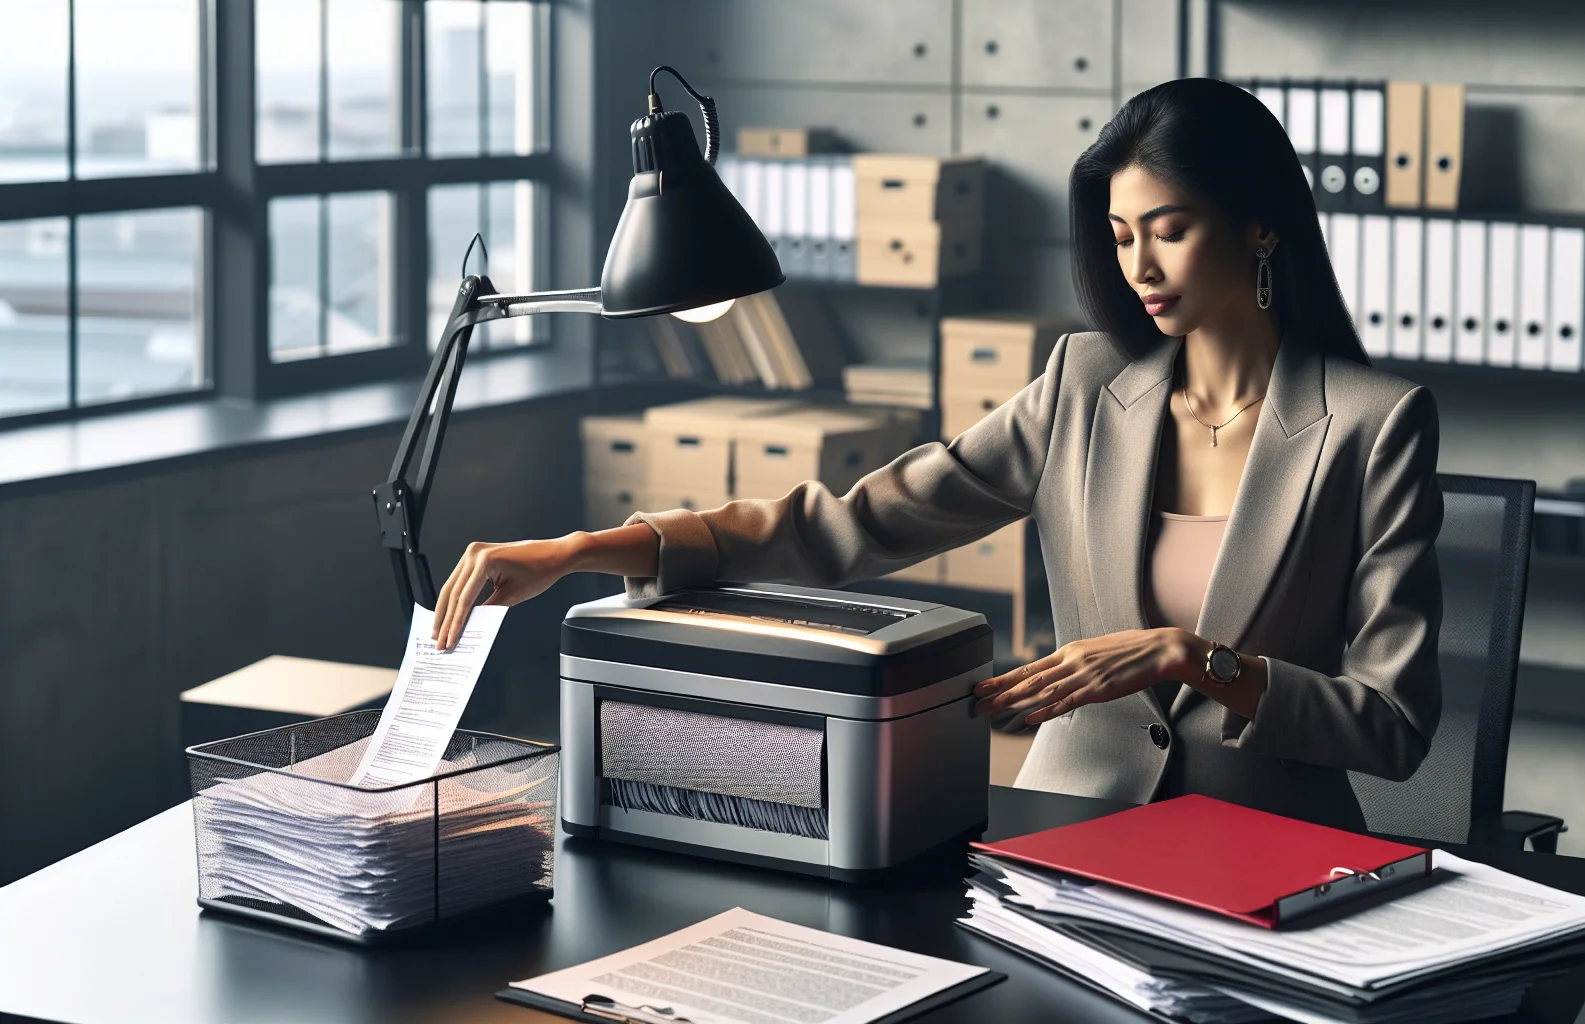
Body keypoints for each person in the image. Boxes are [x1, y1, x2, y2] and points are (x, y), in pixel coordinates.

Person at [431, 78, 1443, 831]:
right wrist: (582, 549)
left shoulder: (1375, 423)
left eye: (1169, 231)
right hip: (1066, 837)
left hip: (1267, 854)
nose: (1138, 265)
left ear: (1260, 227)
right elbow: (854, 525)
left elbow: (1393, 725)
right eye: (1120, 234)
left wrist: (1193, 658)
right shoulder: (1084, 384)